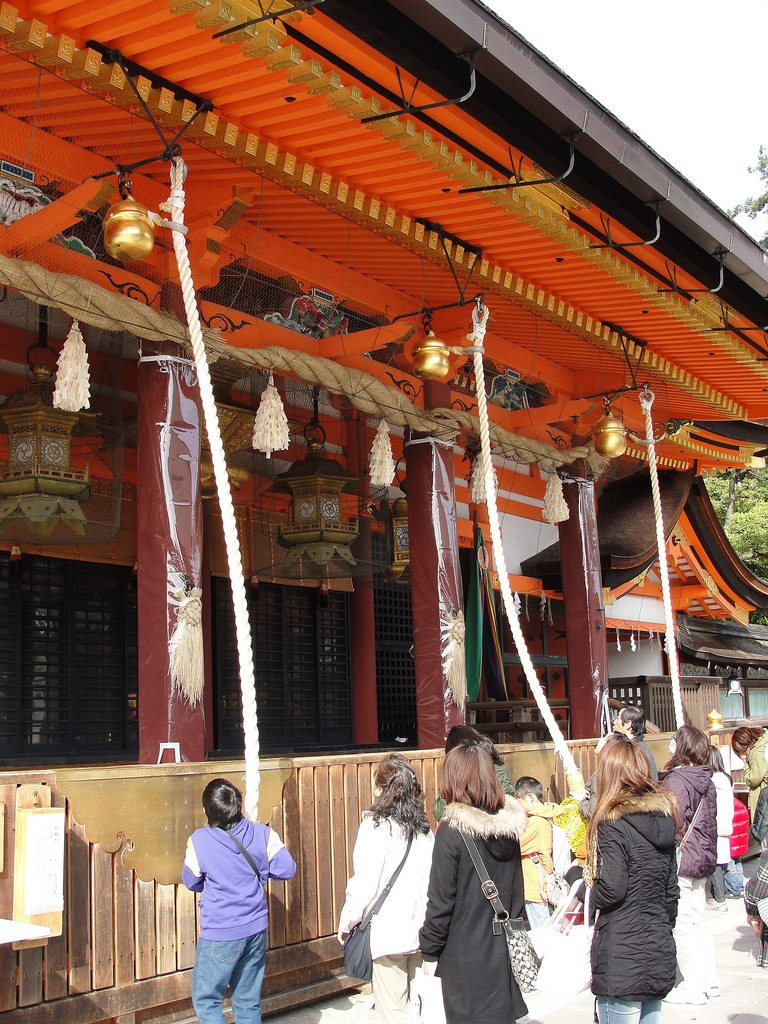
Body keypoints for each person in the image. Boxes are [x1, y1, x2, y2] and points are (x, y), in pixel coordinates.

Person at [419, 743, 528, 1024]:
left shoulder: (452, 832)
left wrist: (429, 948)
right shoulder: (509, 830)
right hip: (502, 953)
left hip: (464, 958)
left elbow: (440, 903)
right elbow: (517, 892)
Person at [182, 778, 297, 1024]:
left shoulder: (199, 841)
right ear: (238, 804)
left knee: (207, 1000)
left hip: (220, 932)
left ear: (208, 811)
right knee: (247, 1002)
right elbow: (287, 869)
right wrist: (262, 869)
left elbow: (191, 881)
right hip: (255, 929)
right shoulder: (263, 834)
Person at [585, 733, 679, 1024]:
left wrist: (585, 894)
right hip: (659, 944)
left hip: (622, 952)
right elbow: (671, 892)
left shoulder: (614, 823)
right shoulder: (665, 818)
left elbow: (613, 887)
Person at [337, 754, 434, 1023]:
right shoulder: (424, 828)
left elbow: (364, 882)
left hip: (390, 930)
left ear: (382, 790)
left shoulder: (375, 826)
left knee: (393, 1011)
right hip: (422, 927)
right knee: (421, 1007)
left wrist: (349, 920)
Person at [660, 725, 718, 1005]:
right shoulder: (706, 778)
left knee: (683, 924)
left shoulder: (677, 781)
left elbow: (673, 822)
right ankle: (709, 979)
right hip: (703, 857)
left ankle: (693, 986)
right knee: (698, 921)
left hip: (684, 859)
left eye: (674, 740)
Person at [432, 725, 514, 821]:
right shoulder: (496, 762)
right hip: (500, 820)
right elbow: (508, 794)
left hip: (473, 823)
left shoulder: (464, 767)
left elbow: (440, 811)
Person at [513, 775, 559, 926]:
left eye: (519, 801)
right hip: (539, 884)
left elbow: (515, 845)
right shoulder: (546, 816)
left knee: (541, 932)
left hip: (535, 886)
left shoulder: (536, 823)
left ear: (531, 798)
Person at [705, 745, 734, 913]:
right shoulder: (725, 778)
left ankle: (719, 899)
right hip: (725, 823)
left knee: (715, 862)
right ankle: (722, 894)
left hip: (716, 824)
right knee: (721, 862)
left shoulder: (713, 781)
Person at [731, 726, 768, 818]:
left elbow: (752, 779)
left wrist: (746, 765)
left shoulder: (757, 752)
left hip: (763, 797)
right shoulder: (764, 742)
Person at [613, 705, 658, 780]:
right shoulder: (639, 746)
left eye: (618, 719)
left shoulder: (636, 750)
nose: (614, 722)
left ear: (628, 724)